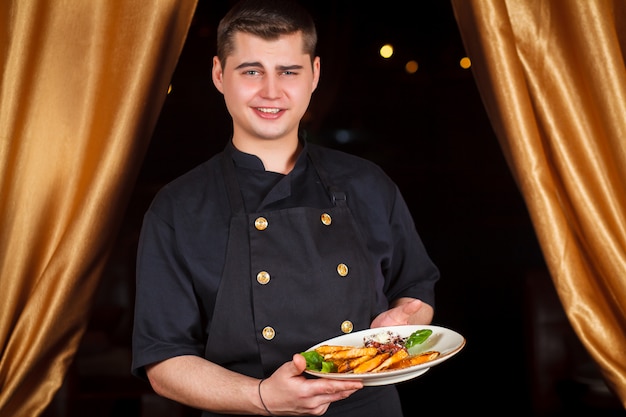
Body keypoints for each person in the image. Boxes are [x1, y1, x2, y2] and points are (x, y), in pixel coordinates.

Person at [131, 0, 440, 416]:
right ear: (219, 75)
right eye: (251, 71)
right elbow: (163, 360)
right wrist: (262, 398)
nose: (271, 92)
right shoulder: (178, 207)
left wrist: (405, 316)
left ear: (314, 74)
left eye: (288, 72)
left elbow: (415, 288)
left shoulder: (367, 183)